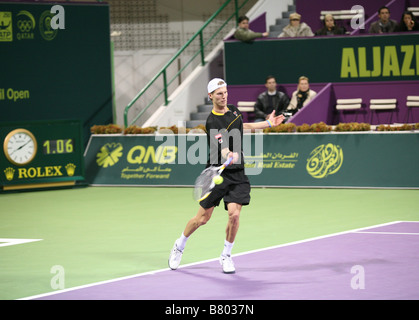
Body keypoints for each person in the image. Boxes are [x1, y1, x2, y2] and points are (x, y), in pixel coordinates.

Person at [168, 78, 285, 274]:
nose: (224, 96)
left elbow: (242, 126)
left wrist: (267, 123)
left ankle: (226, 255)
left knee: (235, 215)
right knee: (202, 219)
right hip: (217, 173)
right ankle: (179, 245)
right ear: (211, 96)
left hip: (237, 173)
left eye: (225, 92)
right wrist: (228, 154)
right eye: (219, 93)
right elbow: (221, 148)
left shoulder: (232, 109)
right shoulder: (212, 122)